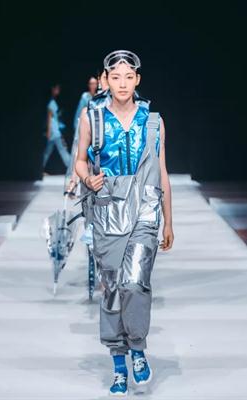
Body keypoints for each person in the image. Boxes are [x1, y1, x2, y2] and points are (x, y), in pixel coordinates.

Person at [75, 50, 174, 396]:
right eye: (115, 77)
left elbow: (162, 171)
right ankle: (119, 363)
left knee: (135, 283)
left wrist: (168, 221)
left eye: (128, 77)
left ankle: (138, 347)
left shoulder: (153, 120)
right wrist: (87, 179)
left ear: (137, 80)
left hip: (145, 210)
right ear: (106, 79)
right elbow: (79, 160)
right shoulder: (93, 117)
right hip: (108, 211)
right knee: (113, 288)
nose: (122, 83)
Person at [43, 83, 71, 173]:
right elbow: (49, 118)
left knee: (48, 152)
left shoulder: (52, 101)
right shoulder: (51, 102)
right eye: (57, 89)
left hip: (54, 130)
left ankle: (40, 168)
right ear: (53, 89)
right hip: (54, 131)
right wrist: (48, 131)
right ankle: (72, 168)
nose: (58, 91)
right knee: (62, 150)